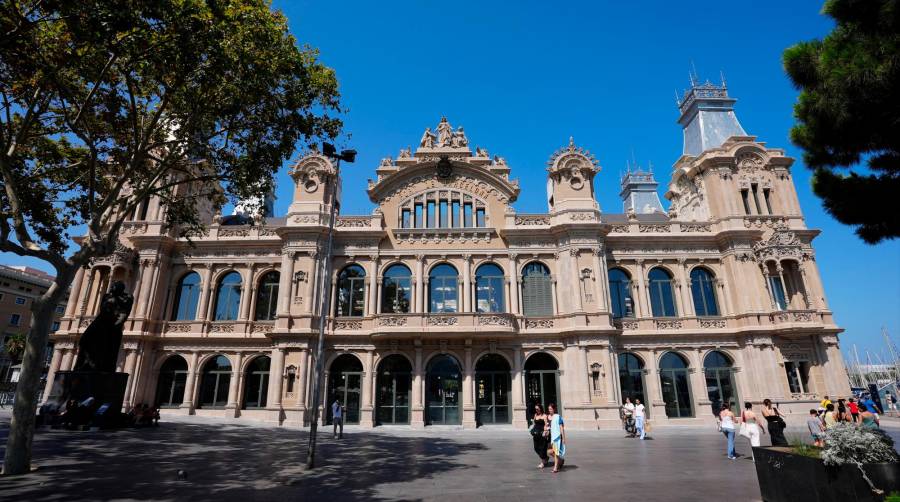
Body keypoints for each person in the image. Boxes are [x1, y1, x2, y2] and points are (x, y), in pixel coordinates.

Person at [547, 403, 566, 473]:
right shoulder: (548, 417)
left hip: (557, 437)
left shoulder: (558, 417)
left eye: (551, 409)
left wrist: (563, 438)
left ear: (554, 409)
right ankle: (560, 460)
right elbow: (548, 427)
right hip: (551, 437)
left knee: (556, 452)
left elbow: (561, 428)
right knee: (549, 451)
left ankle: (555, 467)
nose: (550, 410)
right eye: (549, 409)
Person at [530, 404, 549, 469]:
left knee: (542, 449)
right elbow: (534, 424)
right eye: (535, 409)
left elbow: (546, 425)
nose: (536, 410)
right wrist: (532, 429)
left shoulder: (544, 416)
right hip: (535, 434)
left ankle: (543, 462)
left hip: (542, 434)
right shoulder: (535, 415)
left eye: (537, 409)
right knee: (536, 448)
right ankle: (545, 458)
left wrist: (545, 431)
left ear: (540, 408)